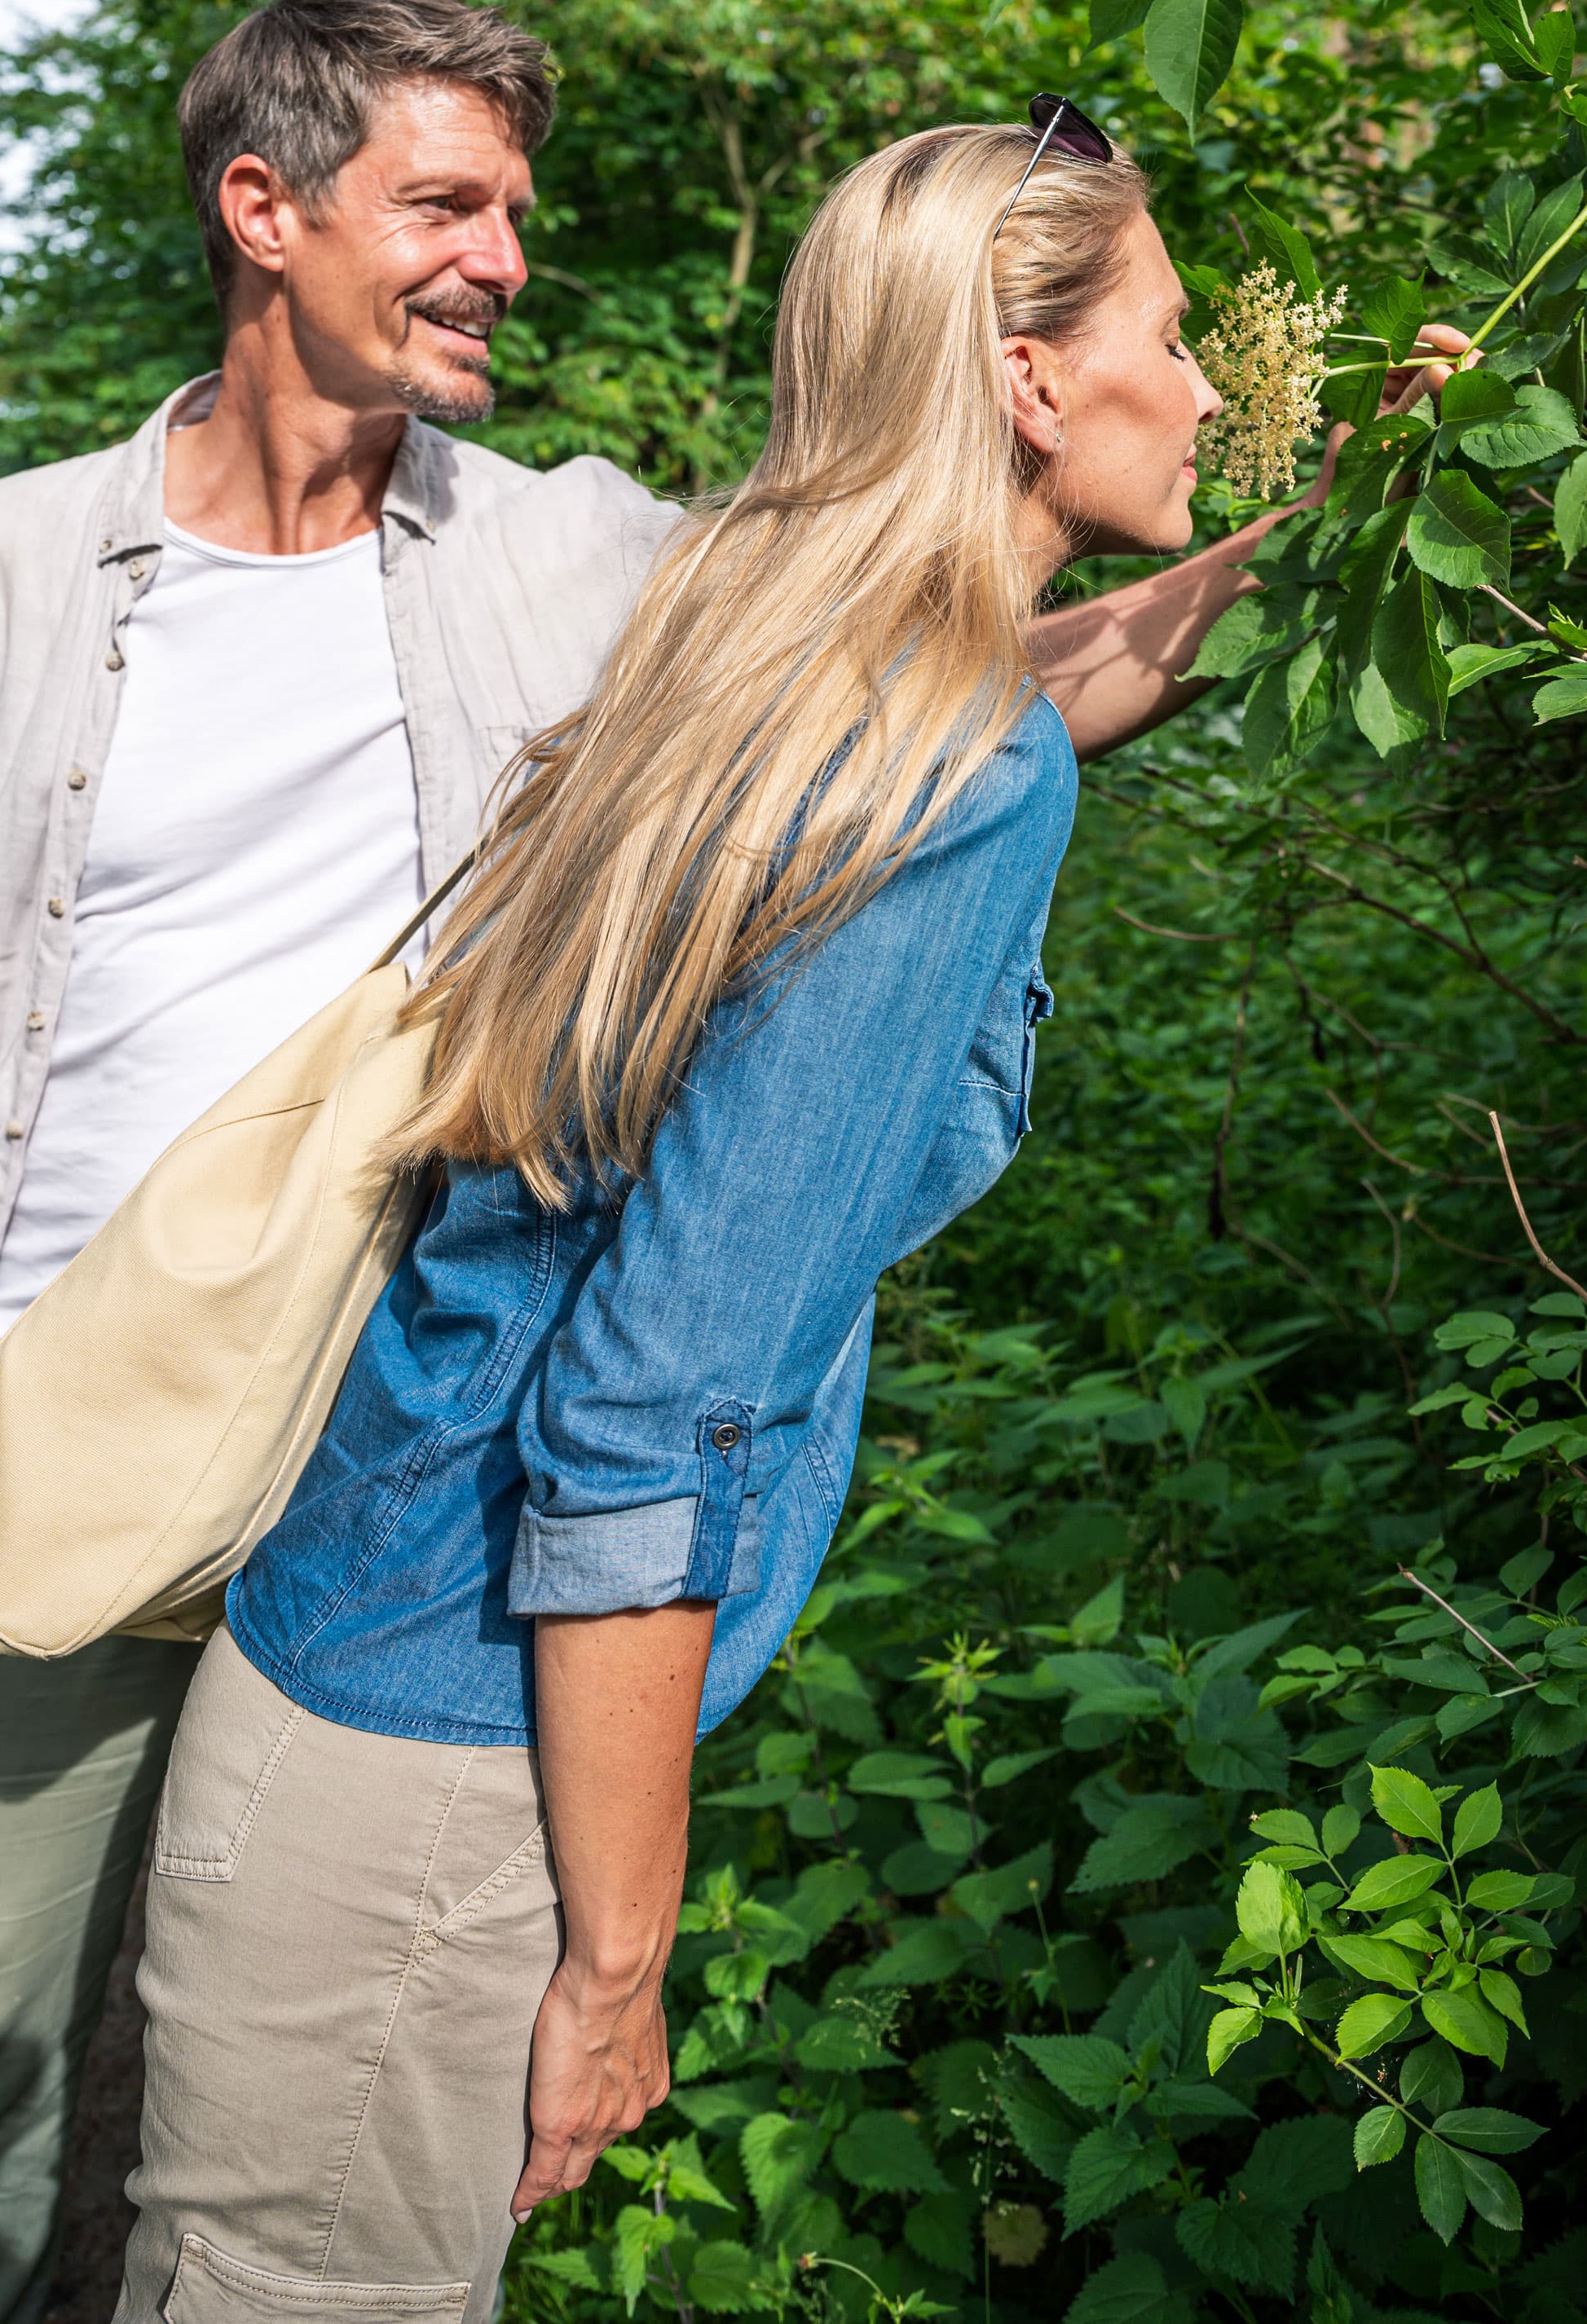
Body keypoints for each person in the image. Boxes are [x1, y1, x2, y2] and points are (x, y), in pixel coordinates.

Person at [0, 0, 1427, 2324]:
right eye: (447, 206)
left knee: (233, 2066)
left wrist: (1317, 521)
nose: (507, 262)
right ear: (267, 210)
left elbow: (941, 684)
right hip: (88, 1418)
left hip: (383, 1431)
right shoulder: (19, 567)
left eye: (519, 213)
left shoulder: (572, 558)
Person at [106, 113, 1232, 2311]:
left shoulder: (758, 645)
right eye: (1173, 342)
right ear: (1026, 380)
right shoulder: (949, 784)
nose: (1203, 394)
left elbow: (1041, 678)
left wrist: (1335, 529)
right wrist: (620, 1963)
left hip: (339, 1676)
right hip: (432, 1785)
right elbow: (653, 1420)